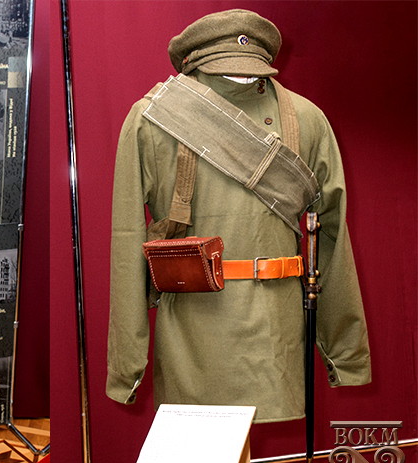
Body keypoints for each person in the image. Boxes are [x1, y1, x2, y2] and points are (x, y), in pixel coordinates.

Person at [107, 9, 371, 422]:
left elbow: (331, 238)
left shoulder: (307, 119)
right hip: (193, 338)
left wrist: (345, 353)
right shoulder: (153, 117)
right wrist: (127, 364)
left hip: (275, 336)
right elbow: (127, 240)